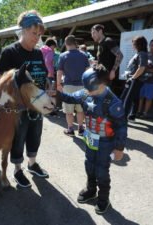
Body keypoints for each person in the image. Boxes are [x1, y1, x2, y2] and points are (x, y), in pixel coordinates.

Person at [58, 65, 127, 214]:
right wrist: (56, 94)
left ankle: (103, 198)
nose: (87, 92)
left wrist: (119, 148)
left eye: (90, 89)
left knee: (101, 170)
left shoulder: (114, 103)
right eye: (86, 88)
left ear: (102, 84)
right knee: (89, 164)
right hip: (90, 138)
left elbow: (121, 127)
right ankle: (91, 190)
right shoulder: (86, 92)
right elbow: (71, 97)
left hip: (106, 142)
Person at [0, 10, 49, 188]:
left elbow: (43, 74)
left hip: (38, 103)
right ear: (23, 30)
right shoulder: (10, 52)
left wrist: (46, 83)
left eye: (40, 34)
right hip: (19, 107)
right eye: (34, 33)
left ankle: (32, 164)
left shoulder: (38, 53)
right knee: (19, 137)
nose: (37, 37)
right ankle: (18, 169)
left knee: (35, 134)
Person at [57, 35, 90, 136]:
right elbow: (88, 71)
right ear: (75, 43)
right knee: (80, 110)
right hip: (82, 87)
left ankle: (70, 129)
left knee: (69, 111)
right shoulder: (84, 55)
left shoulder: (63, 56)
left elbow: (59, 72)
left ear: (66, 44)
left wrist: (58, 84)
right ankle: (81, 129)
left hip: (68, 87)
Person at [120, 36, 148, 121]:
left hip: (136, 80)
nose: (133, 45)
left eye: (134, 43)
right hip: (134, 79)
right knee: (133, 98)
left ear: (139, 44)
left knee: (128, 99)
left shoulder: (142, 54)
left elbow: (142, 68)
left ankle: (123, 118)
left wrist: (133, 78)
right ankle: (132, 116)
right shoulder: (139, 53)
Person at [137, 39, 153, 118]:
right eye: (151, 45)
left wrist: (148, 70)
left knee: (149, 98)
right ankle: (138, 112)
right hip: (141, 80)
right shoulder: (145, 54)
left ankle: (145, 113)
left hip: (152, 81)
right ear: (149, 45)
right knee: (140, 97)